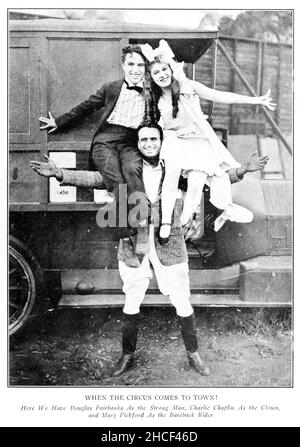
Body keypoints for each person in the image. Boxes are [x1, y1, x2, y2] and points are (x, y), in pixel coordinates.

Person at [30, 123, 268, 377]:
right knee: (132, 295)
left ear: (161, 141)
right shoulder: (126, 169)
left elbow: (214, 178)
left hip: (170, 239)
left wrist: (243, 169)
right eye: (143, 140)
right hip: (134, 238)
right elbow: (99, 179)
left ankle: (194, 355)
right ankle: (127, 355)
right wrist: (60, 174)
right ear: (138, 144)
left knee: (181, 297)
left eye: (153, 138)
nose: (148, 143)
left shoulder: (176, 169)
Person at [141, 40, 276, 243]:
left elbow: (220, 95)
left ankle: (183, 223)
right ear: (151, 78)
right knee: (171, 175)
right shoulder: (154, 97)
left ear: (171, 69)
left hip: (198, 141)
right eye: (156, 73)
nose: (162, 74)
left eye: (164, 69)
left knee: (196, 182)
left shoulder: (188, 87)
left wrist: (254, 100)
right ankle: (166, 223)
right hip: (174, 141)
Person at [39, 44, 150, 255]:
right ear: (123, 66)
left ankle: (141, 225)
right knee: (116, 182)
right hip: (106, 142)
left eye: (141, 65)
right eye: (131, 64)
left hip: (130, 143)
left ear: (145, 68)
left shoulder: (150, 92)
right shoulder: (111, 88)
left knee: (133, 171)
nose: (136, 69)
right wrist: (59, 122)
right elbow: (87, 106)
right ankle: (127, 237)